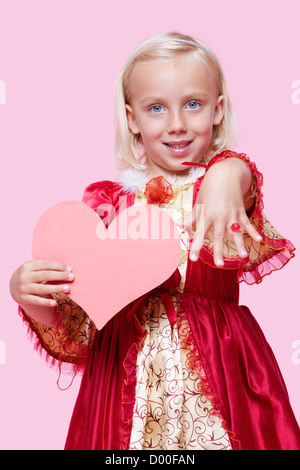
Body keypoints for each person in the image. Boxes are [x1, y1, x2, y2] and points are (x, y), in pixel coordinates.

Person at [9, 31, 300, 450]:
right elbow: (80, 322)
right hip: (125, 377)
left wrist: (227, 172)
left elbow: (242, 183)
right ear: (132, 119)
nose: (177, 123)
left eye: (193, 105)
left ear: (217, 111)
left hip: (220, 363)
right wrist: (30, 292)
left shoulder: (219, 184)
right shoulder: (110, 205)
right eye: (157, 108)